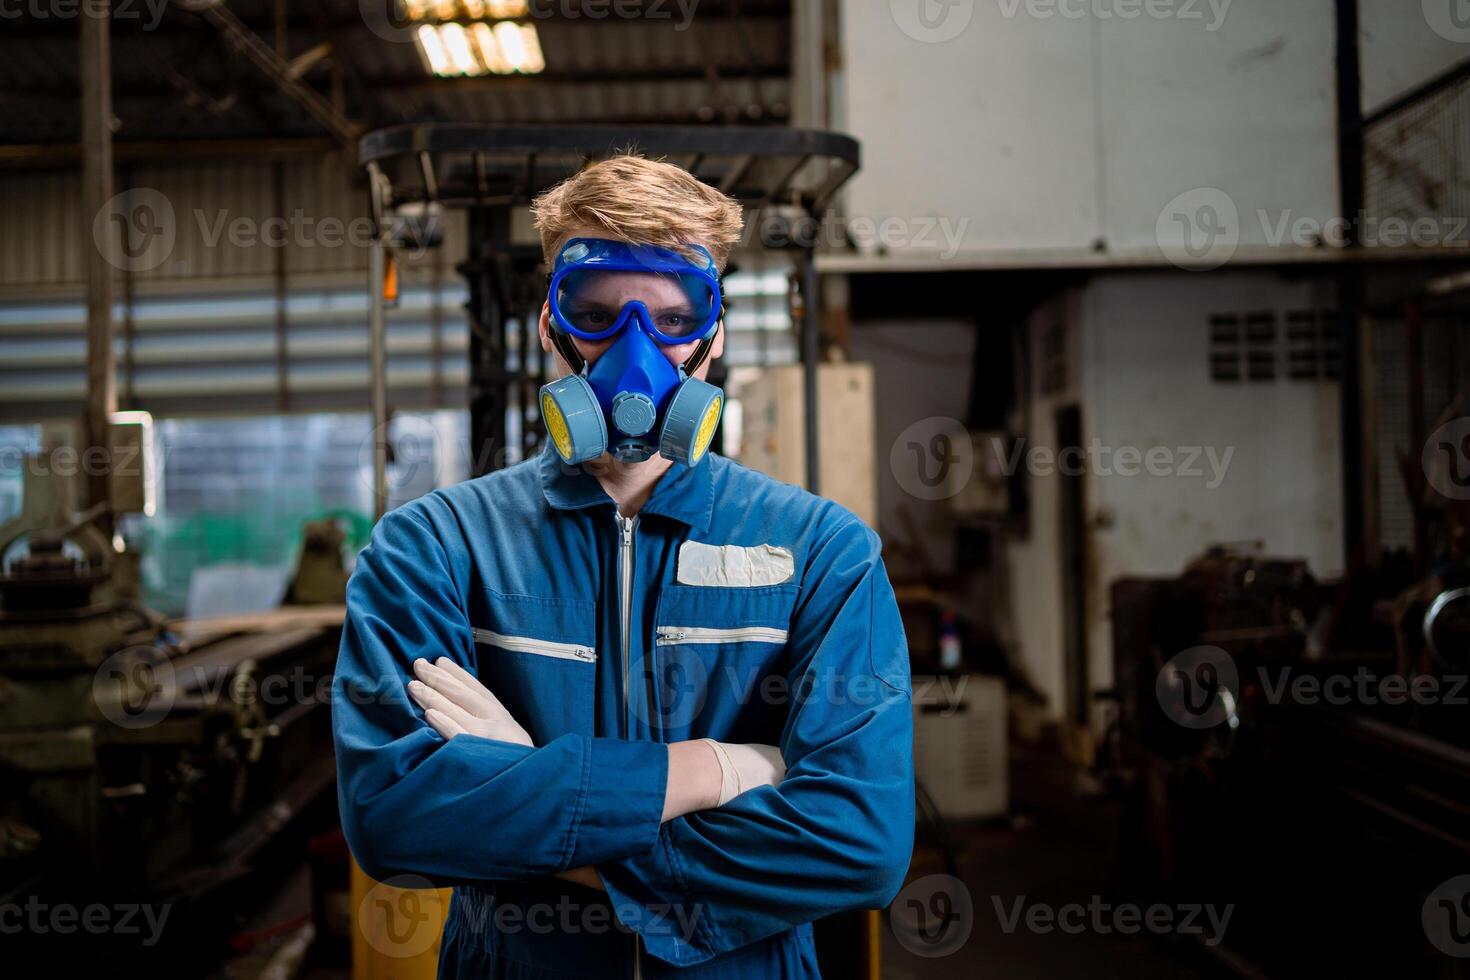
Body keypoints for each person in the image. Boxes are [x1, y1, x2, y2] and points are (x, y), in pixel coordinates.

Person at [332, 154, 915, 979]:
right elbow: (395, 819)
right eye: (597, 313)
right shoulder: (431, 547)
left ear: (712, 337)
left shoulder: (822, 551)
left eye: (674, 318)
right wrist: (726, 769)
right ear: (549, 323)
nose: (634, 351)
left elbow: (860, 841)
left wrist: (527, 788)